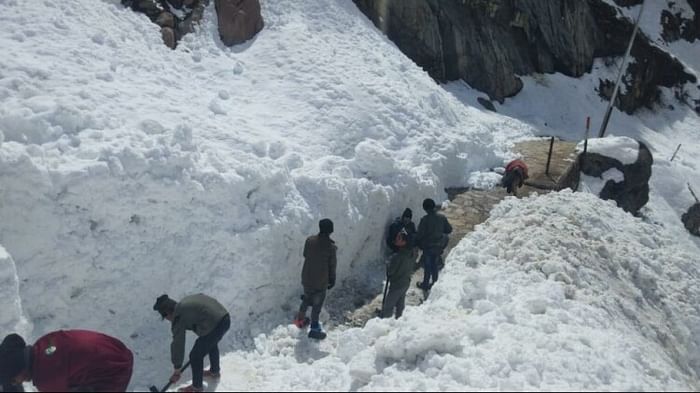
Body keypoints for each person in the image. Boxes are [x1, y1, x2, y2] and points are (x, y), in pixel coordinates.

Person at [0, 330, 133, 392]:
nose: (17, 383)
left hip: (116, 373)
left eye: (13, 380)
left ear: (19, 370)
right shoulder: (42, 344)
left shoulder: (46, 379)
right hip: (115, 348)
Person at [154, 293, 230, 393]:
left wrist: (177, 369)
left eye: (166, 318)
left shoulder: (178, 317)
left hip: (215, 324)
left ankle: (197, 388)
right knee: (210, 342)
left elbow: (178, 343)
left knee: (195, 356)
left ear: (167, 313)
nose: (168, 320)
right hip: (224, 318)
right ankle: (214, 372)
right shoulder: (184, 304)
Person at [293, 218, 337, 340]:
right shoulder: (331, 247)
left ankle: (300, 319)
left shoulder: (309, 241)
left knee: (307, 298)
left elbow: (305, 254)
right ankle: (314, 328)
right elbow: (332, 266)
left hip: (307, 276)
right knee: (317, 305)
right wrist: (332, 280)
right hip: (320, 281)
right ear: (331, 230)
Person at [415, 198, 452, 290]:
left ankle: (425, 284)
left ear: (425, 208)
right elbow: (449, 229)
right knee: (434, 264)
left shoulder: (425, 220)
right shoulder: (442, 218)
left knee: (428, 266)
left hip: (428, 246)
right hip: (439, 245)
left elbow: (420, 234)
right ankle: (435, 283)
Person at [381, 227, 414, 319]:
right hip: (406, 282)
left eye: (399, 238)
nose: (396, 238)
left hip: (397, 285)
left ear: (404, 242)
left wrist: (389, 264)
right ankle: (399, 321)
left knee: (388, 306)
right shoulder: (411, 253)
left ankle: (384, 324)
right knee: (400, 305)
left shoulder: (397, 257)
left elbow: (391, 272)